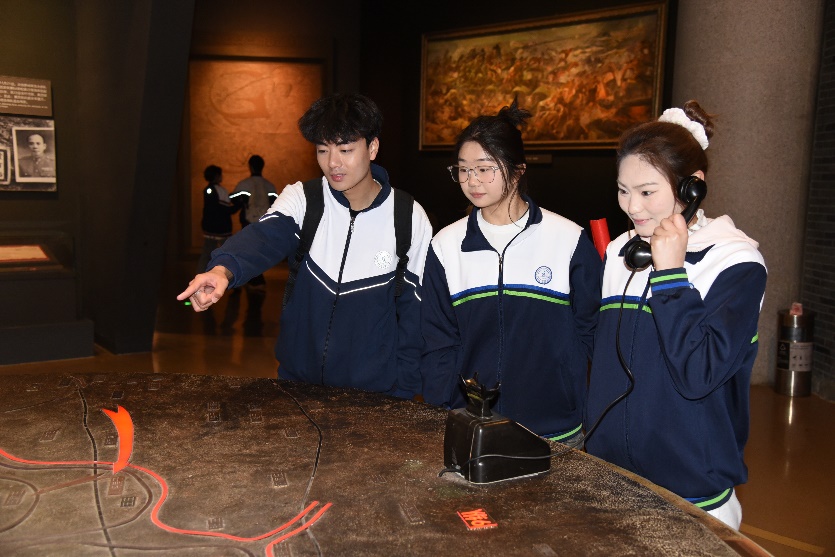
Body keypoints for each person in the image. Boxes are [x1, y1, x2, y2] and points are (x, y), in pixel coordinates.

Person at [584, 100, 767, 530]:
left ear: (692, 187)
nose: (632, 206)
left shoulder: (736, 264)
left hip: (691, 489)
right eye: (623, 190)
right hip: (612, 476)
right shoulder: (622, 252)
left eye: (647, 192)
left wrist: (670, 276)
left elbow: (699, 374)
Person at [178, 92, 433, 398]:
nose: (333, 163)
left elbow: (416, 314)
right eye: (322, 150)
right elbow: (263, 236)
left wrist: (403, 393)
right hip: (298, 384)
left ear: (373, 147)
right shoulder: (304, 199)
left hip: (374, 393)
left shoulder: (408, 217)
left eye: (345, 149)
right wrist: (222, 270)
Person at [420, 98, 601, 447]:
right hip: (476, 428)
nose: (472, 180)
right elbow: (438, 341)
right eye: (463, 169)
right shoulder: (446, 246)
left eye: (484, 168)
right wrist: (443, 411)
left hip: (557, 432)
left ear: (518, 170)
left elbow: (595, 334)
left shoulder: (567, 239)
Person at [225, 155, 279, 335]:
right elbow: (276, 204)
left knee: (249, 250)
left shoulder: (244, 184)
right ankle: (256, 278)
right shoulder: (270, 186)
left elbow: (234, 200)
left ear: (250, 166)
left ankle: (254, 279)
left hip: (248, 223)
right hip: (265, 224)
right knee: (258, 251)